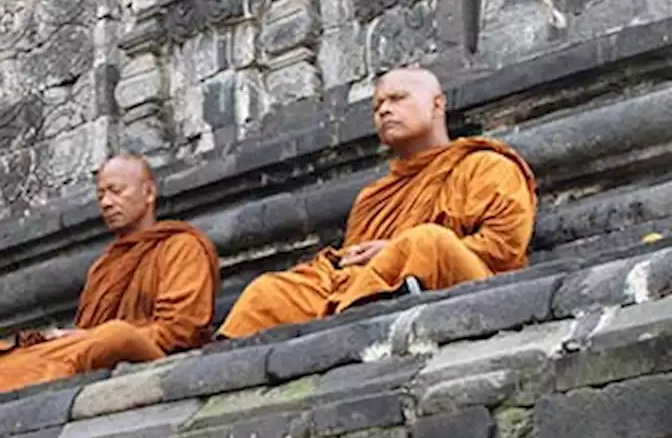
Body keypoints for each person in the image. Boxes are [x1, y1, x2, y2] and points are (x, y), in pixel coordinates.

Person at [218, 66, 537, 339]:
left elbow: (504, 249)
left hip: (468, 282)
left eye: (398, 99)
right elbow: (356, 264)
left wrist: (395, 251)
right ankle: (231, 364)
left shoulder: (486, 166)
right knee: (270, 291)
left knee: (427, 241)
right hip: (366, 286)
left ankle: (354, 321)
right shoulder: (373, 196)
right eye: (377, 106)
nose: (384, 110)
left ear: (437, 104)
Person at [0, 154, 220, 397]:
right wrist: (70, 337)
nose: (106, 203)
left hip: (155, 355)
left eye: (116, 191)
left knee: (116, 335)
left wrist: (95, 337)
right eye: (101, 195)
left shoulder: (182, 247)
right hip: (98, 352)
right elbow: (87, 334)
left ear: (149, 193)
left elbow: (179, 332)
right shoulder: (104, 266)